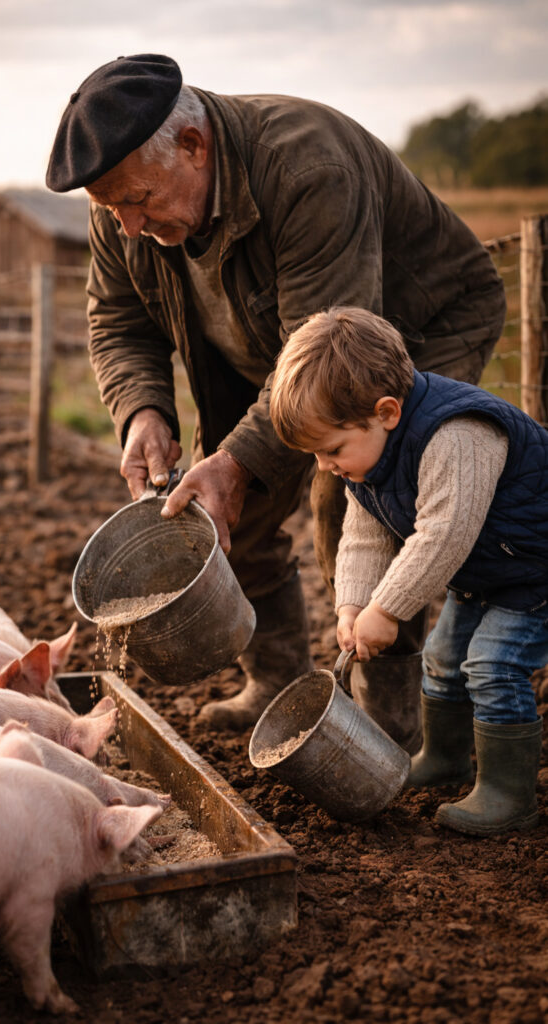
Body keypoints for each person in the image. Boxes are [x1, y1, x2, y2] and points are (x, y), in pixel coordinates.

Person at [45, 53, 506, 738]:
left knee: (357, 490)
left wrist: (235, 458)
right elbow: (116, 317)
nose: (128, 226)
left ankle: (387, 714)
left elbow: (331, 370)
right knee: (220, 506)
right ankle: (277, 679)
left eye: (138, 202)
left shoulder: (309, 171)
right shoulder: (125, 203)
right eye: (112, 209)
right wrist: (142, 410)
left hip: (410, 328)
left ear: (194, 147)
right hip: (266, 346)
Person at [269, 306, 546, 835]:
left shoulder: (458, 434)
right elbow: (365, 535)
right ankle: (444, 759)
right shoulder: (369, 455)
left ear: (388, 412)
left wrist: (388, 608)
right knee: (442, 660)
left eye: (331, 450)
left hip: (536, 569)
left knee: (492, 665)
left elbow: (444, 533)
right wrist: (353, 603)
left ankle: (509, 793)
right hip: (490, 570)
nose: (326, 466)